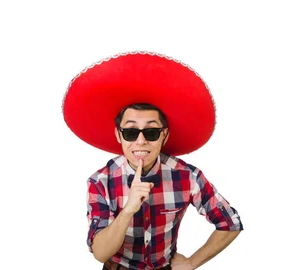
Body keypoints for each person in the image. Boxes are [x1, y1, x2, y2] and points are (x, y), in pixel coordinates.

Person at [62, 52, 243, 270]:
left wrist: (192, 263)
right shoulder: (100, 181)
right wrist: (128, 208)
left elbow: (230, 223)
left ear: (164, 135)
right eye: (130, 132)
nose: (140, 141)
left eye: (151, 131)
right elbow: (100, 253)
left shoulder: (187, 176)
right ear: (119, 135)